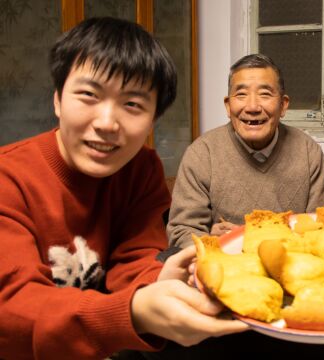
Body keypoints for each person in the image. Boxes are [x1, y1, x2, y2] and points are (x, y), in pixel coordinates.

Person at [0, 17, 246, 359]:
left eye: (132, 105)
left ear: (152, 119)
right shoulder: (8, 178)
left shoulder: (140, 169)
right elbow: (11, 311)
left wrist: (157, 280)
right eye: (88, 95)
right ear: (57, 100)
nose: (106, 123)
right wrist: (131, 311)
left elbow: (134, 257)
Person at [167, 54, 324, 247]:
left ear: (283, 105)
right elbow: (182, 231)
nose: (252, 107)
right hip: (225, 267)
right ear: (228, 106)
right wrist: (211, 242)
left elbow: (322, 228)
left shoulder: (307, 151)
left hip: (289, 266)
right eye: (241, 94)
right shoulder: (202, 153)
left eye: (265, 94)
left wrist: (247, 236)